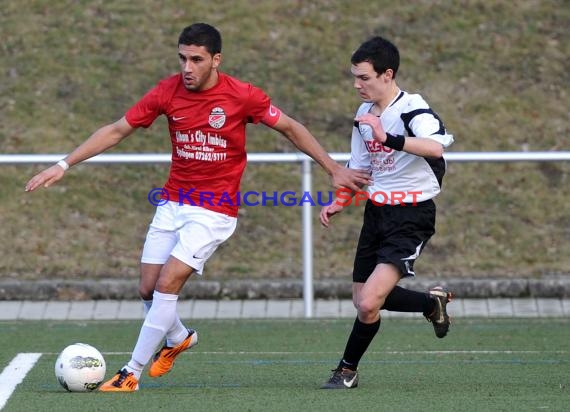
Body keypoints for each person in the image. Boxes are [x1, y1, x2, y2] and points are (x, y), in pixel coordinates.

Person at [25, 23, 370, 392]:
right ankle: (179, 338)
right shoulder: (167, 91)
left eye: (196, 60)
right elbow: (116, 129)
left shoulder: (242, 95)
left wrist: (333, 168)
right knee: (147, 288)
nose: (187, 67)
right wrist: (63, 164)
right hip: (172, 202)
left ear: (215, 60)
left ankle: (131, 373)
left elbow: (290, 127)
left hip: (214, 210)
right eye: (182, 58)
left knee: (168, 283)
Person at [319, 36, 455, 389]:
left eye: (363, 77)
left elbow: (435, 147)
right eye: (355, 77)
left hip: (411, 216)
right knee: (363, 301)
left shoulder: (413, 109)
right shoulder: (363, 117)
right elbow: (360, 169)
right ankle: (431, 304)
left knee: (368, 302)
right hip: (376, 214)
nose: (356, 84)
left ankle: (346, 371)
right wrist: (341, 199)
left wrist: (388, 137)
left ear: (387, 74)